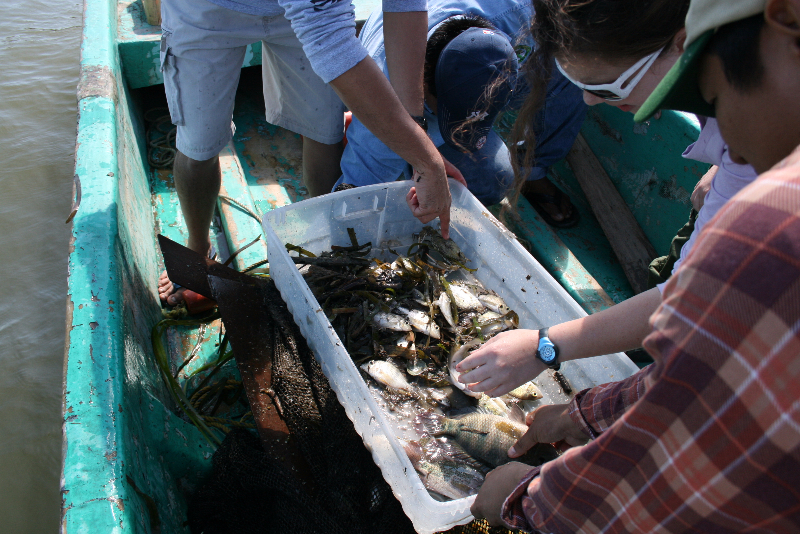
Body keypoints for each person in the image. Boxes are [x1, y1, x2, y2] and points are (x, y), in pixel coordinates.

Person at [471, 0, 800, 529]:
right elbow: (691, 332)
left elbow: (678, 479)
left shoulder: (770, 229)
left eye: (607, 89)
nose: (588, 104)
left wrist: (528, 502)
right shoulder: (750, 153)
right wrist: (580, 409)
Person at [455, 0, 757, 399]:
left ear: (681, 45)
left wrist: (542, 346)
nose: (590, 102)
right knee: (673, 263)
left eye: (605, 88)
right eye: (578, 83)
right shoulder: (729, 71)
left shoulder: (761, 142)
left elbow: (690, 299)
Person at [157, 0, 461, 306]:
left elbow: (404, 6)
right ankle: (198, 248)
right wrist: (426, 159)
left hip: (307, 12)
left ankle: (330, 255)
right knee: (199, 146)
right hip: (208, 7)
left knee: (324, 132)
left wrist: (417, 138)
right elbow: (333, 47)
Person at [337, 1, 587, 213]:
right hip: (399, 100)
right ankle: (387, 146)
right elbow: (352, 197)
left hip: (512, 57)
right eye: (457, 122)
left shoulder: (526, 12)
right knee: (493, 179)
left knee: (577, 66)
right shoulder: (386, 92)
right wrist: (422, 159)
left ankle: (532, 169)